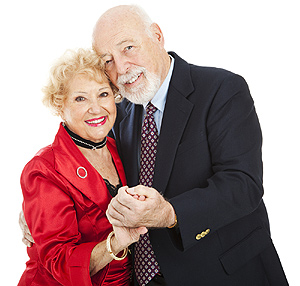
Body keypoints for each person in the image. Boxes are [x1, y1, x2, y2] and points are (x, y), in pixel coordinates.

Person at [21, 4, 289, 286]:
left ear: (157, 36)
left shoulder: (222, 89)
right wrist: (37, 207)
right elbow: (87, 168)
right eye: (108, 60)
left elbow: (243, 185)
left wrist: (170, 214)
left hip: (225, 274)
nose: (122, 67)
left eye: (128, 48)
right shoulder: (119, 112)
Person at [18, 48, 146, 286]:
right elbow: (59, 263)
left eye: (103, 94)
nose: (96, 108)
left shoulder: (122, 148)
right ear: (60, 106)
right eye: (80, 98)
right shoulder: (43, 170)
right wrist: (116, 242)